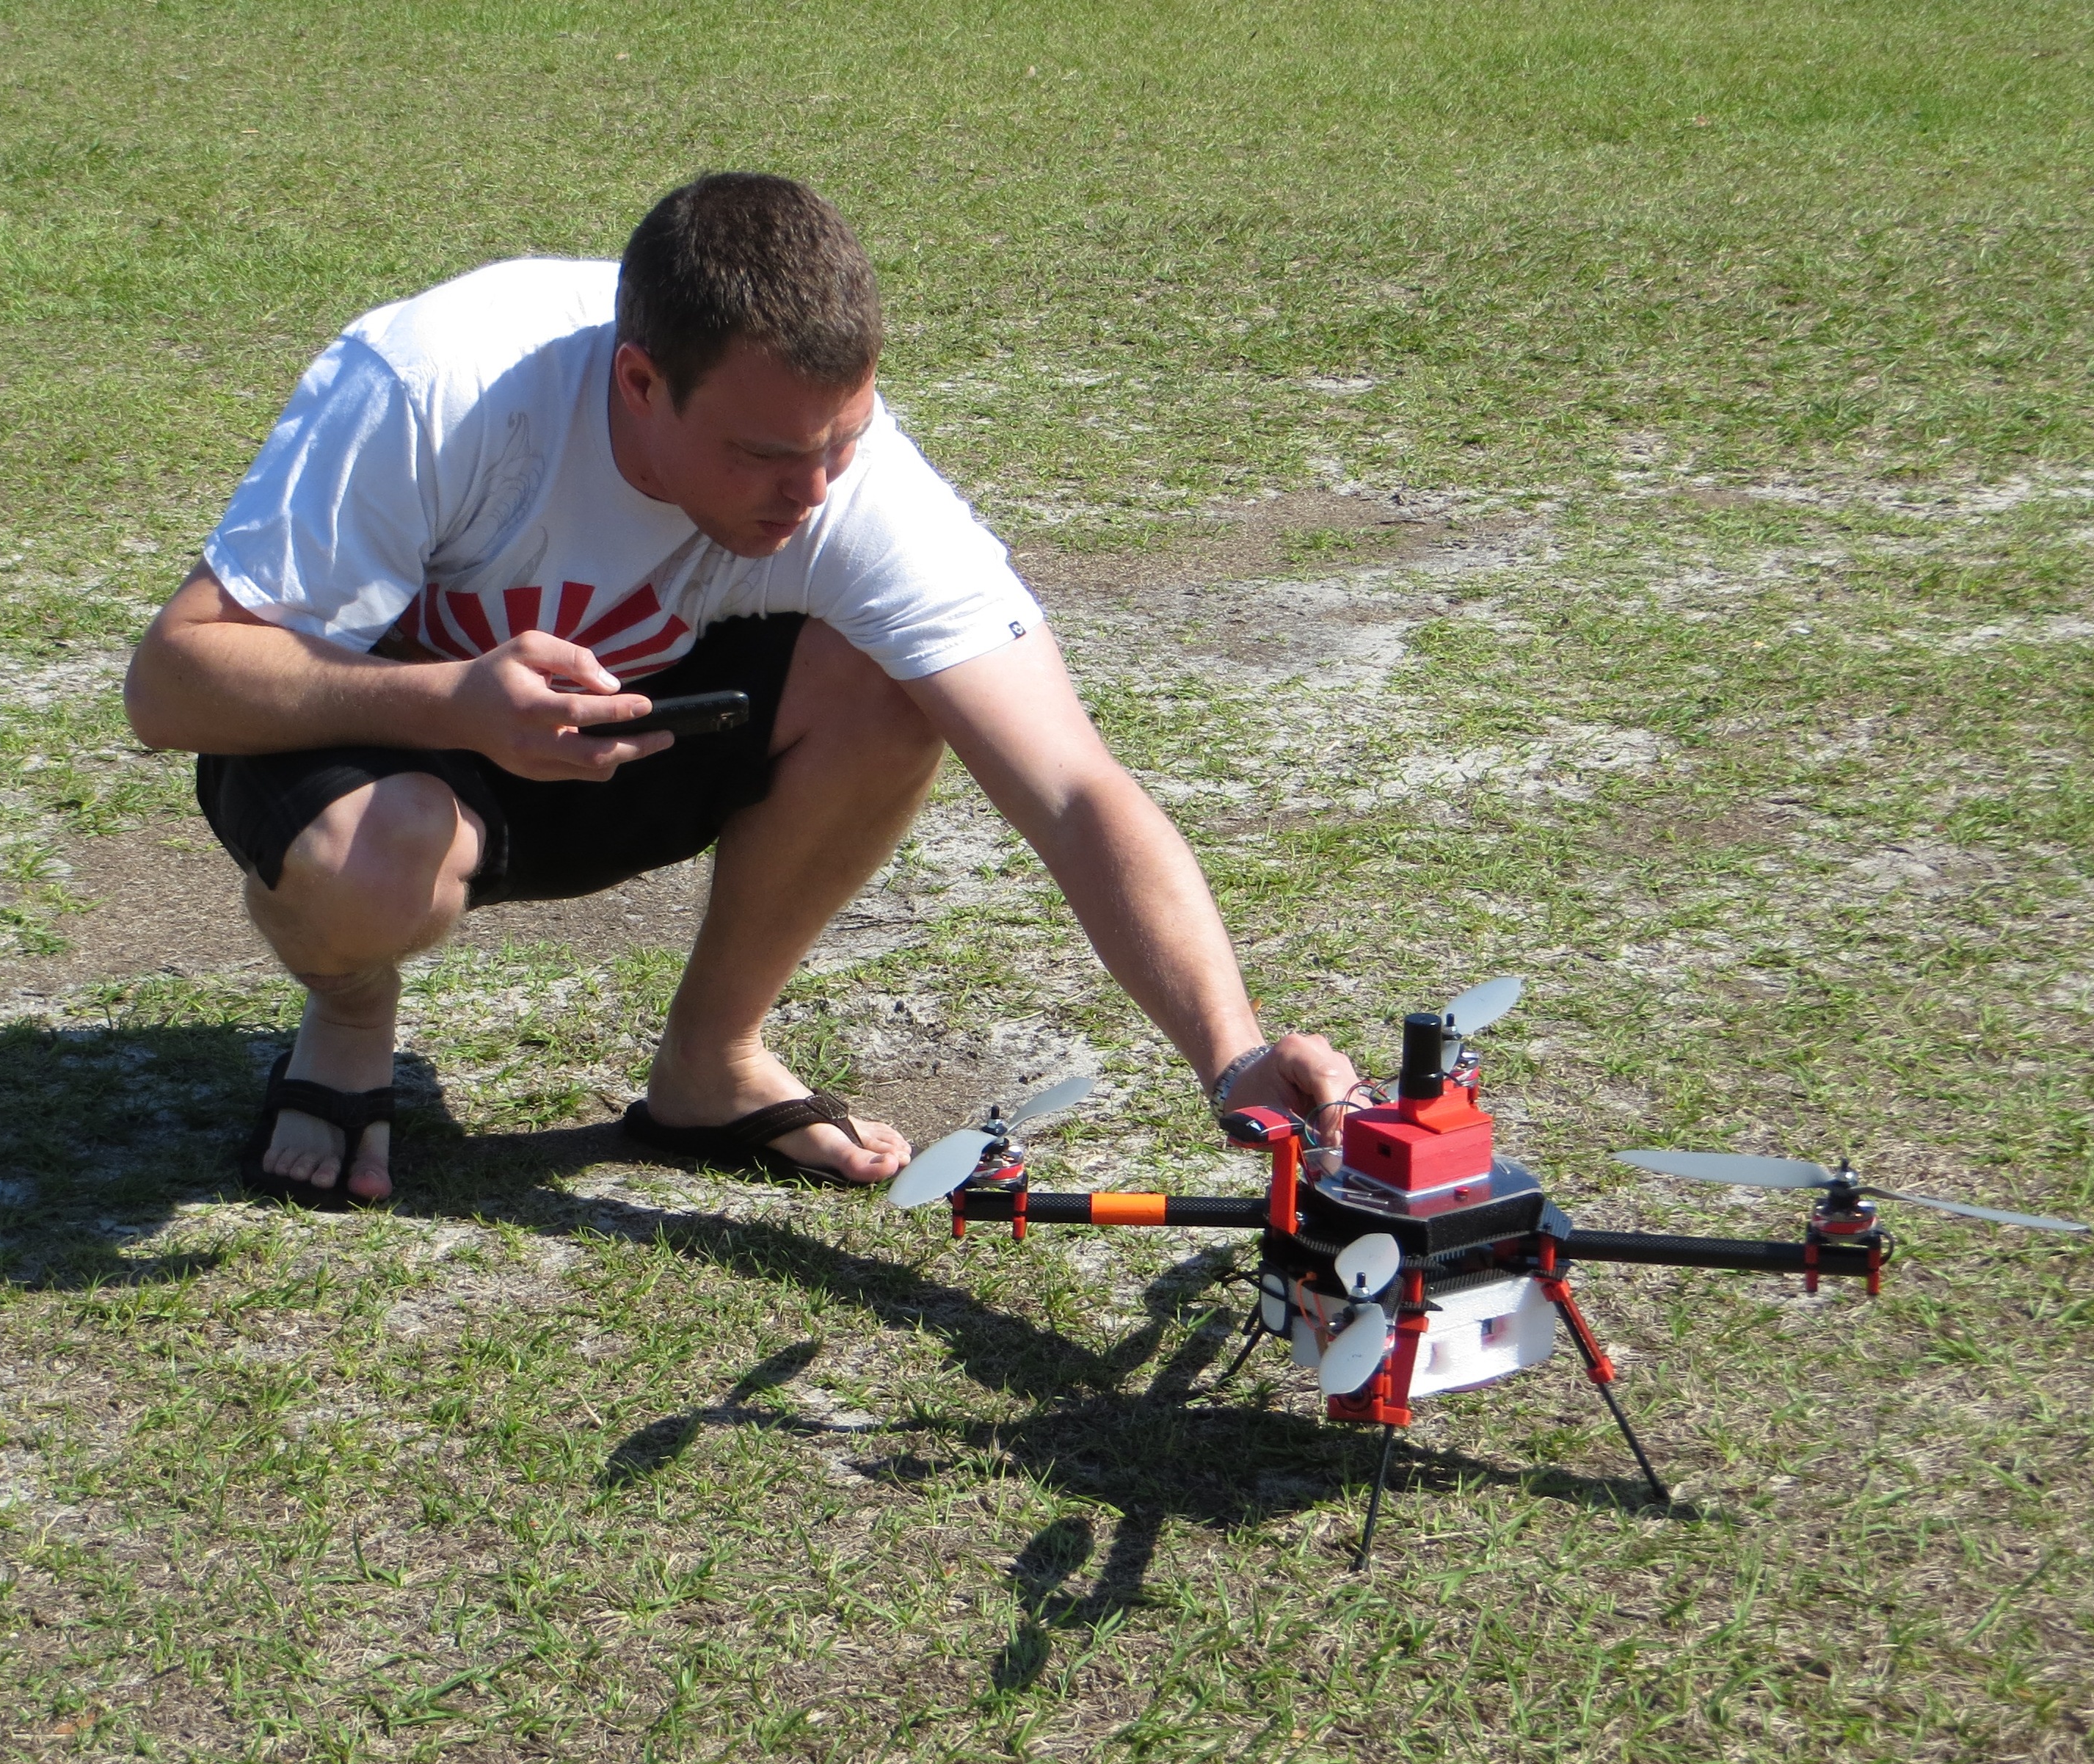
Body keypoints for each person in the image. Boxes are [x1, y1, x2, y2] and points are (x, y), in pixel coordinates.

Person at [124, 172, 1359, 1205]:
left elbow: (1074, 788)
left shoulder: (845, 480)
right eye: (766, 454)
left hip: (624, 753)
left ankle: (709, 1066)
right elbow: (173, 682)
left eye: (843, 438)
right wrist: (451, 703)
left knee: (895, 679)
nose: (812, 489)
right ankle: (348, 1021)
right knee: (374, 860)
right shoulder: (437, 386)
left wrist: (1231, 1051)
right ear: (640, 384)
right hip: (383, 746)